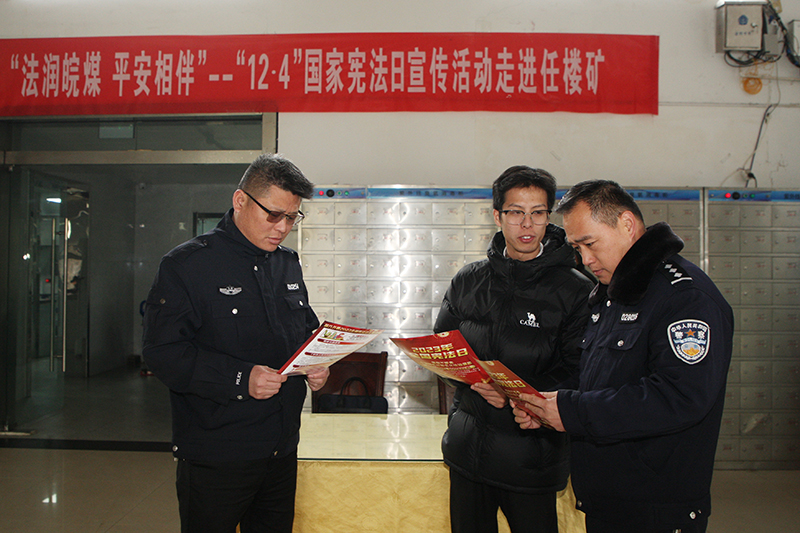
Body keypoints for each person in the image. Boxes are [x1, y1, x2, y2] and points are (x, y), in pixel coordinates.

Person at [512, 180, 734, 533]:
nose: (585, 260)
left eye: (590, 244)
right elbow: (598, 377)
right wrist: (547, 404)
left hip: (656, 507)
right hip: (610, 500)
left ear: (627, 225)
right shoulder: (614, 294)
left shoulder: (685, 298)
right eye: (576, 248)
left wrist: (572, 411)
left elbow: (680, 396)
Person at [142, 153, 328, 533]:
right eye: (273, 215)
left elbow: (304, 330)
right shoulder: (187, 266)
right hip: (217, 455)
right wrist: (241, 379)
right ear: (240, 200)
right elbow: (163, 353)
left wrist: (317, 361)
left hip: (280, 450)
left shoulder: (287, 264)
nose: (282, 227)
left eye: (292, 217)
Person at [434, 166, 594, 533]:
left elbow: (580, 369)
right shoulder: (469, 280)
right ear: (497, 216)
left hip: (532, 456)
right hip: (468, 450)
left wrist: (516, 392)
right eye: (516, 212)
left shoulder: (575, 290)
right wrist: (473, 381)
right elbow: (444, 349)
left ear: (548, 217)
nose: (527, 224)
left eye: (538, 213)